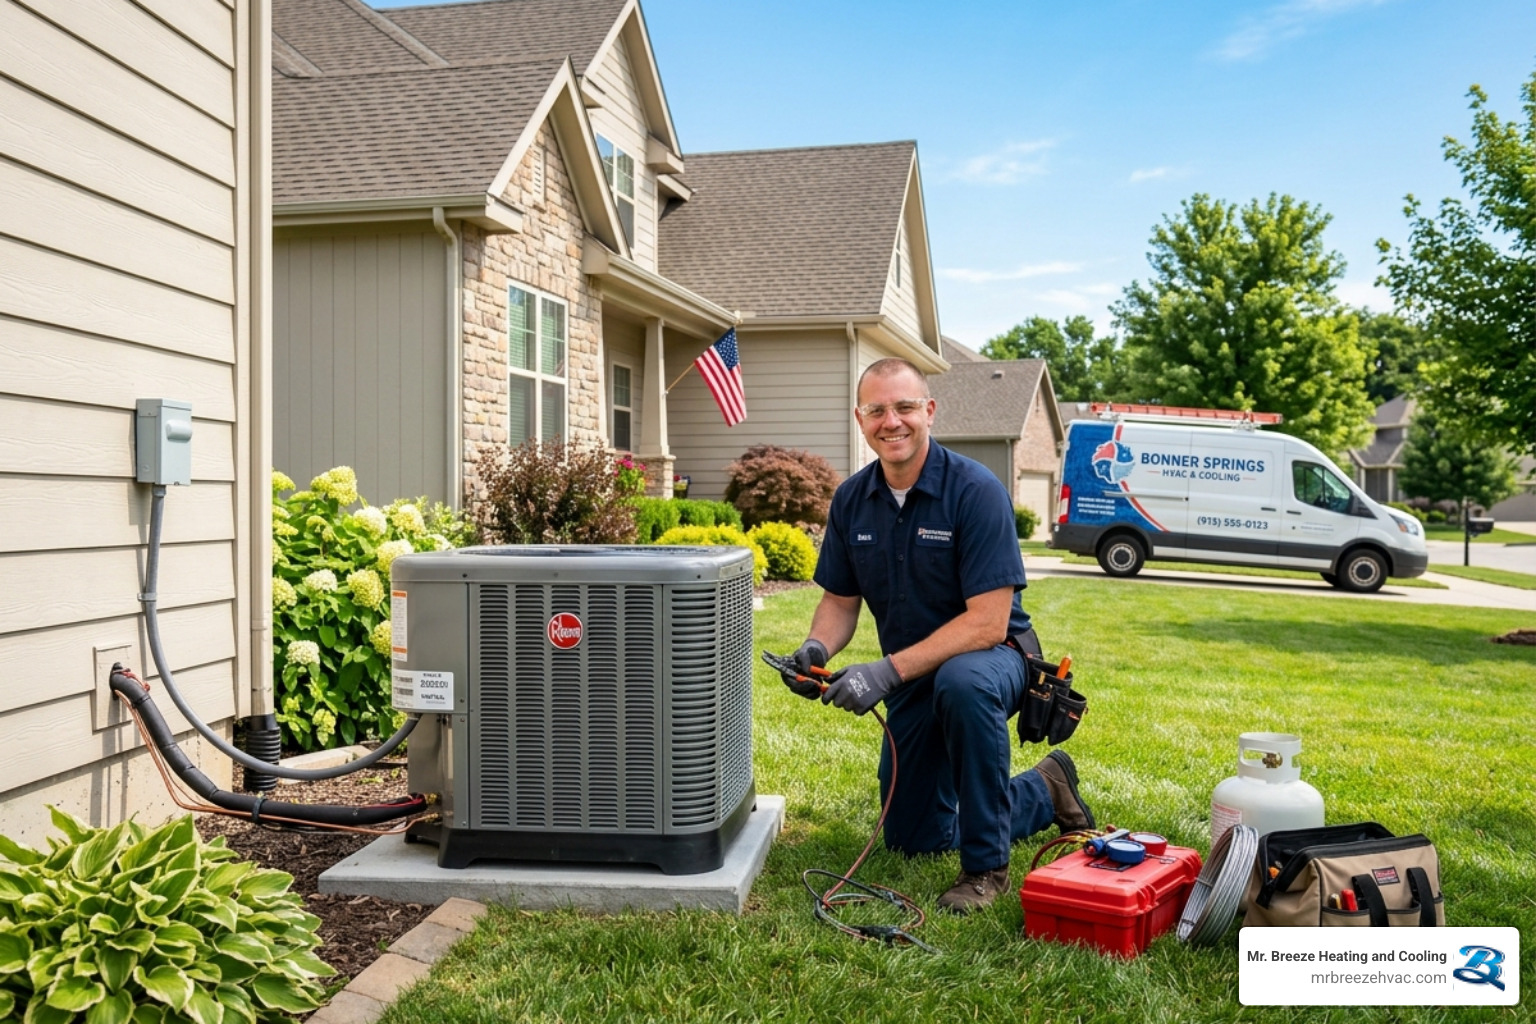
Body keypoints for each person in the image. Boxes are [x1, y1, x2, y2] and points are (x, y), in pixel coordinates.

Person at [776, 357, 1094, 913]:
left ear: (929, 411)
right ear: (860, 418)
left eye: (904, 407)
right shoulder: (852, 499)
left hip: (994, 661)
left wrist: (884, 671)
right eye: (876, 410)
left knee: (963, 683)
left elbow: (987, 623)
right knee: (913, 836)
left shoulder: (975, 491)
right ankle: (1045, 788)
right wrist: (817, 648)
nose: (890, 421)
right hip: (914, 672)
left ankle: (985, 869)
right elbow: (839, 602)